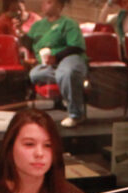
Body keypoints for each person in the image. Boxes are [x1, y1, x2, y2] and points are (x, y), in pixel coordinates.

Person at [26, 0, 88, 128]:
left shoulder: (68, 23)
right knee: (34, 74)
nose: (43, 4)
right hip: (47, 64)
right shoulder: (37, 25)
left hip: (69, 58)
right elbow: (26, 42)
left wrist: (56, 57)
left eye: (49, 2)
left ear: (59, 6)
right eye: (43, 2)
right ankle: (70, 82)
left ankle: (76, 115)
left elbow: (76, 47)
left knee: (67, 72)